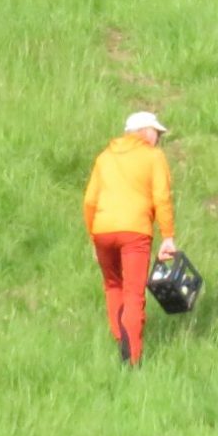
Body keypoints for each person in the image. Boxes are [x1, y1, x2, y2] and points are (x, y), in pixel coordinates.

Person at [82, 110, 179, 367]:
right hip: (135, 232)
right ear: (145, 132)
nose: (158, 139)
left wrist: (93, 237)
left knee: (113, 285)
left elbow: (90, 201)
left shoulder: (104, 157)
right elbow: (162, 198)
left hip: (103, 230)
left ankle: (120, 338)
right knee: (134, 294)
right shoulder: (153, 157)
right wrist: (168, 237)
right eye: (157, 133)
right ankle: (132, 358)